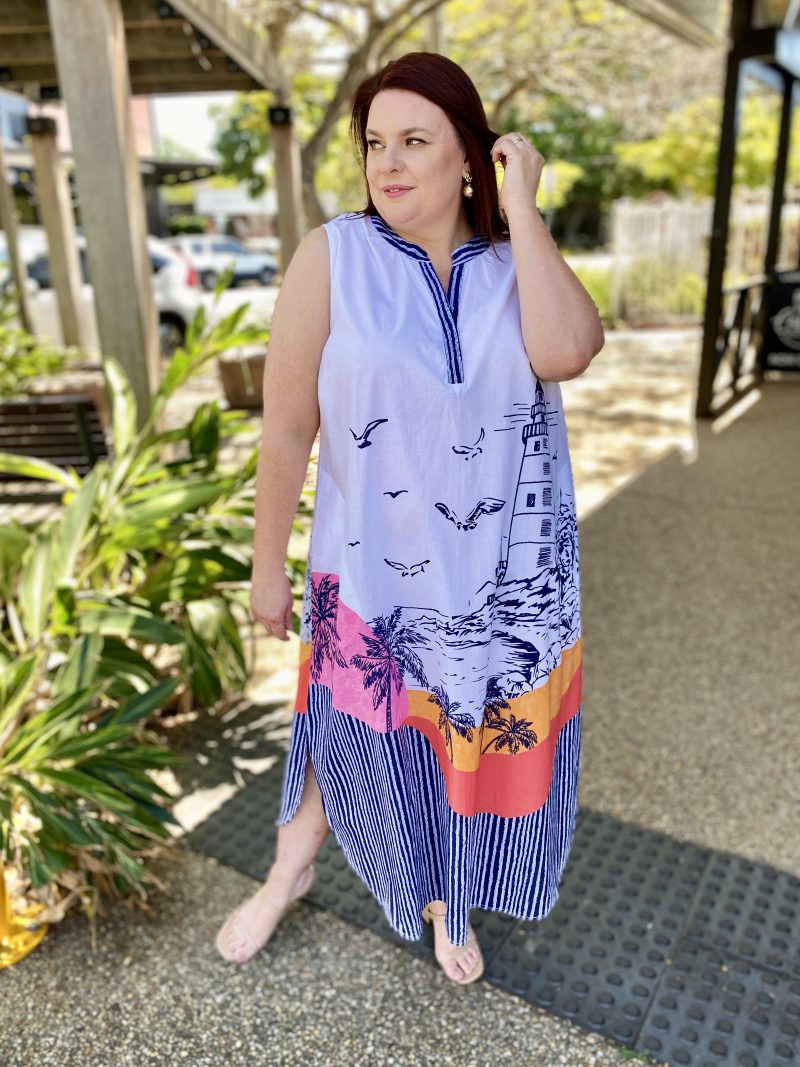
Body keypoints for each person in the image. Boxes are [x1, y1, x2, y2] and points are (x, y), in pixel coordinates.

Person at [215, 51, 604, 983]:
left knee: (461, 745)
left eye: (415, 141)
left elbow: (567, 350)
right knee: (345, 728)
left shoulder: (516, 262)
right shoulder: (333, 257)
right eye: (374, 143)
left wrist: (522, 207)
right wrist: (266, 568)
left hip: (499, 588)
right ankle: (287, 870)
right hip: (372, 575)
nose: (387, 163)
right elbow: (286, 431)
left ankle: (447, 896)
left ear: (469, 155)